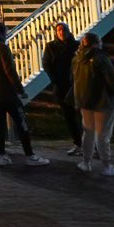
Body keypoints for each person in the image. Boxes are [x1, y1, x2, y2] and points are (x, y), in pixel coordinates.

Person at [0, 20, 50, 167]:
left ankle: (1, 155)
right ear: (1, 33)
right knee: (21, 122)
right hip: (7, 93)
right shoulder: (1, 47)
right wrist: (20, 90)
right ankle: (29, 155)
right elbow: (10, 72)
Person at [72, 31, 114, 176]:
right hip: (103, 102)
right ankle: (107, 166)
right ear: (95, 43)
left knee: (88, 133)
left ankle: (86, 162)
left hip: (85, 102)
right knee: (103, 135)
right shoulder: (100, 58)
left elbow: (75, 80)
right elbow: (111, 80)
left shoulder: (76, 59)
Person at [41, 21, 84, 156]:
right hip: (61, 85)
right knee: (69, 115)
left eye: (63, 30)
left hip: (77, 84)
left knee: (84, 115)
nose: (61, 32)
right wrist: (55, 80)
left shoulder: (76, 45)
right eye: (58, 30)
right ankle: (78, 142)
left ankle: (90, 143)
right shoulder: (51, 47)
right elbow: (47, 64)